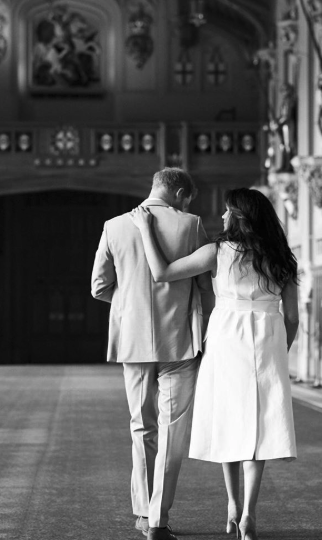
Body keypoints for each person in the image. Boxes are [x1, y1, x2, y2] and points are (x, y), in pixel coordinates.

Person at [129, 187, 299, 540]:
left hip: (227, 337)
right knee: (259, 427)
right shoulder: (283, 258)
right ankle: (250, 513)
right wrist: (280, 350)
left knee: (229, 420)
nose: (221, 217)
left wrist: (146, 229)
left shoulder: (217, 252)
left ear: (239, 217)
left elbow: (162, 272)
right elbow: (293, 317)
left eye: (226, 211)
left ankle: (233, 506)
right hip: (268, 336)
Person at [91, 168, 213, 540]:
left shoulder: (114, 226)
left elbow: (99, 287)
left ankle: (144, 511)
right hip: (180, 341)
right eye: (186, 198)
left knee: (142, 427)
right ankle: (158, 519)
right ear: (178, 192)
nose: (186, 204)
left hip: (134, 341)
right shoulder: (191, 225)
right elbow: (205, 289)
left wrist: (130, 306)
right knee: (174, 432)